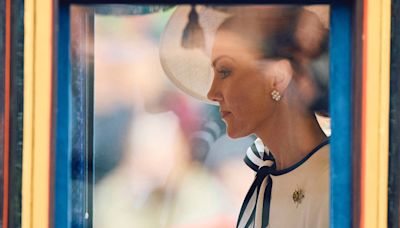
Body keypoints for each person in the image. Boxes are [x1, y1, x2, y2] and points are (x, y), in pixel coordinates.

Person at [160, 5, 330, 228]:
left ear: (277, 77)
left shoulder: (329, 184)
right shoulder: (267, 176)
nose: (212, 93)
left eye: (225, 71)